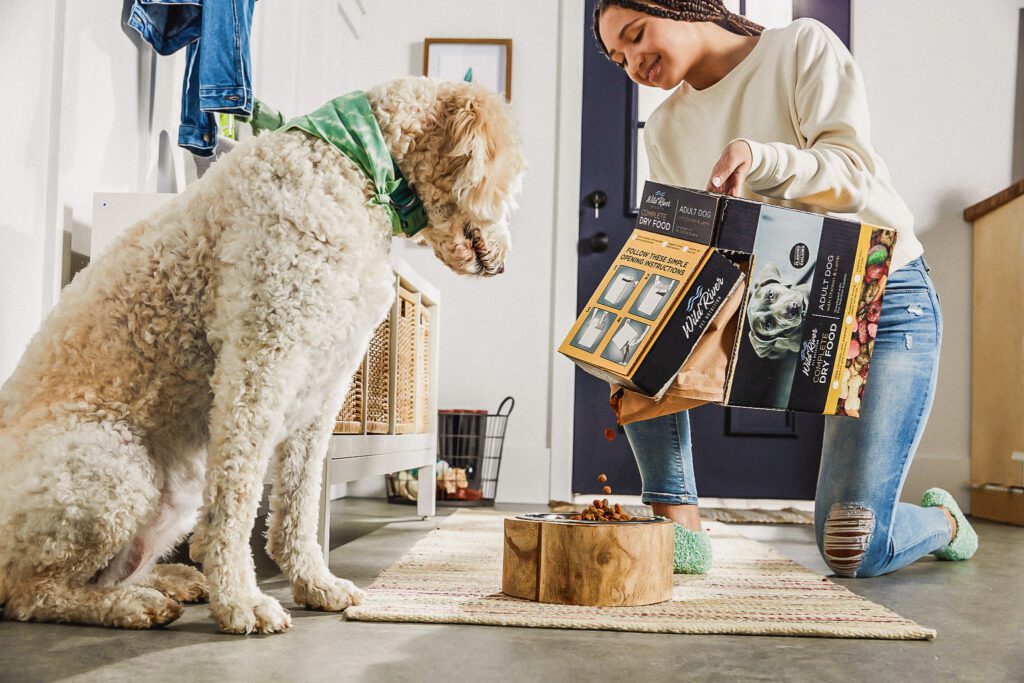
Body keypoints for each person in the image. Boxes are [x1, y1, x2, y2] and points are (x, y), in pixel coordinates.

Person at [593, 0, 977, 577]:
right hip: (781, 306)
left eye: (637, 35)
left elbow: (852, 173)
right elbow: (690, 251)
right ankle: (677, 520)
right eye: (619, 58)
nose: (632, 64)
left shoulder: (800, 46)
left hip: (882, 298)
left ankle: (943, 522)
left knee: (852, 547)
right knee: (633, 327)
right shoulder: (668, 126)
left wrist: (760, 156)